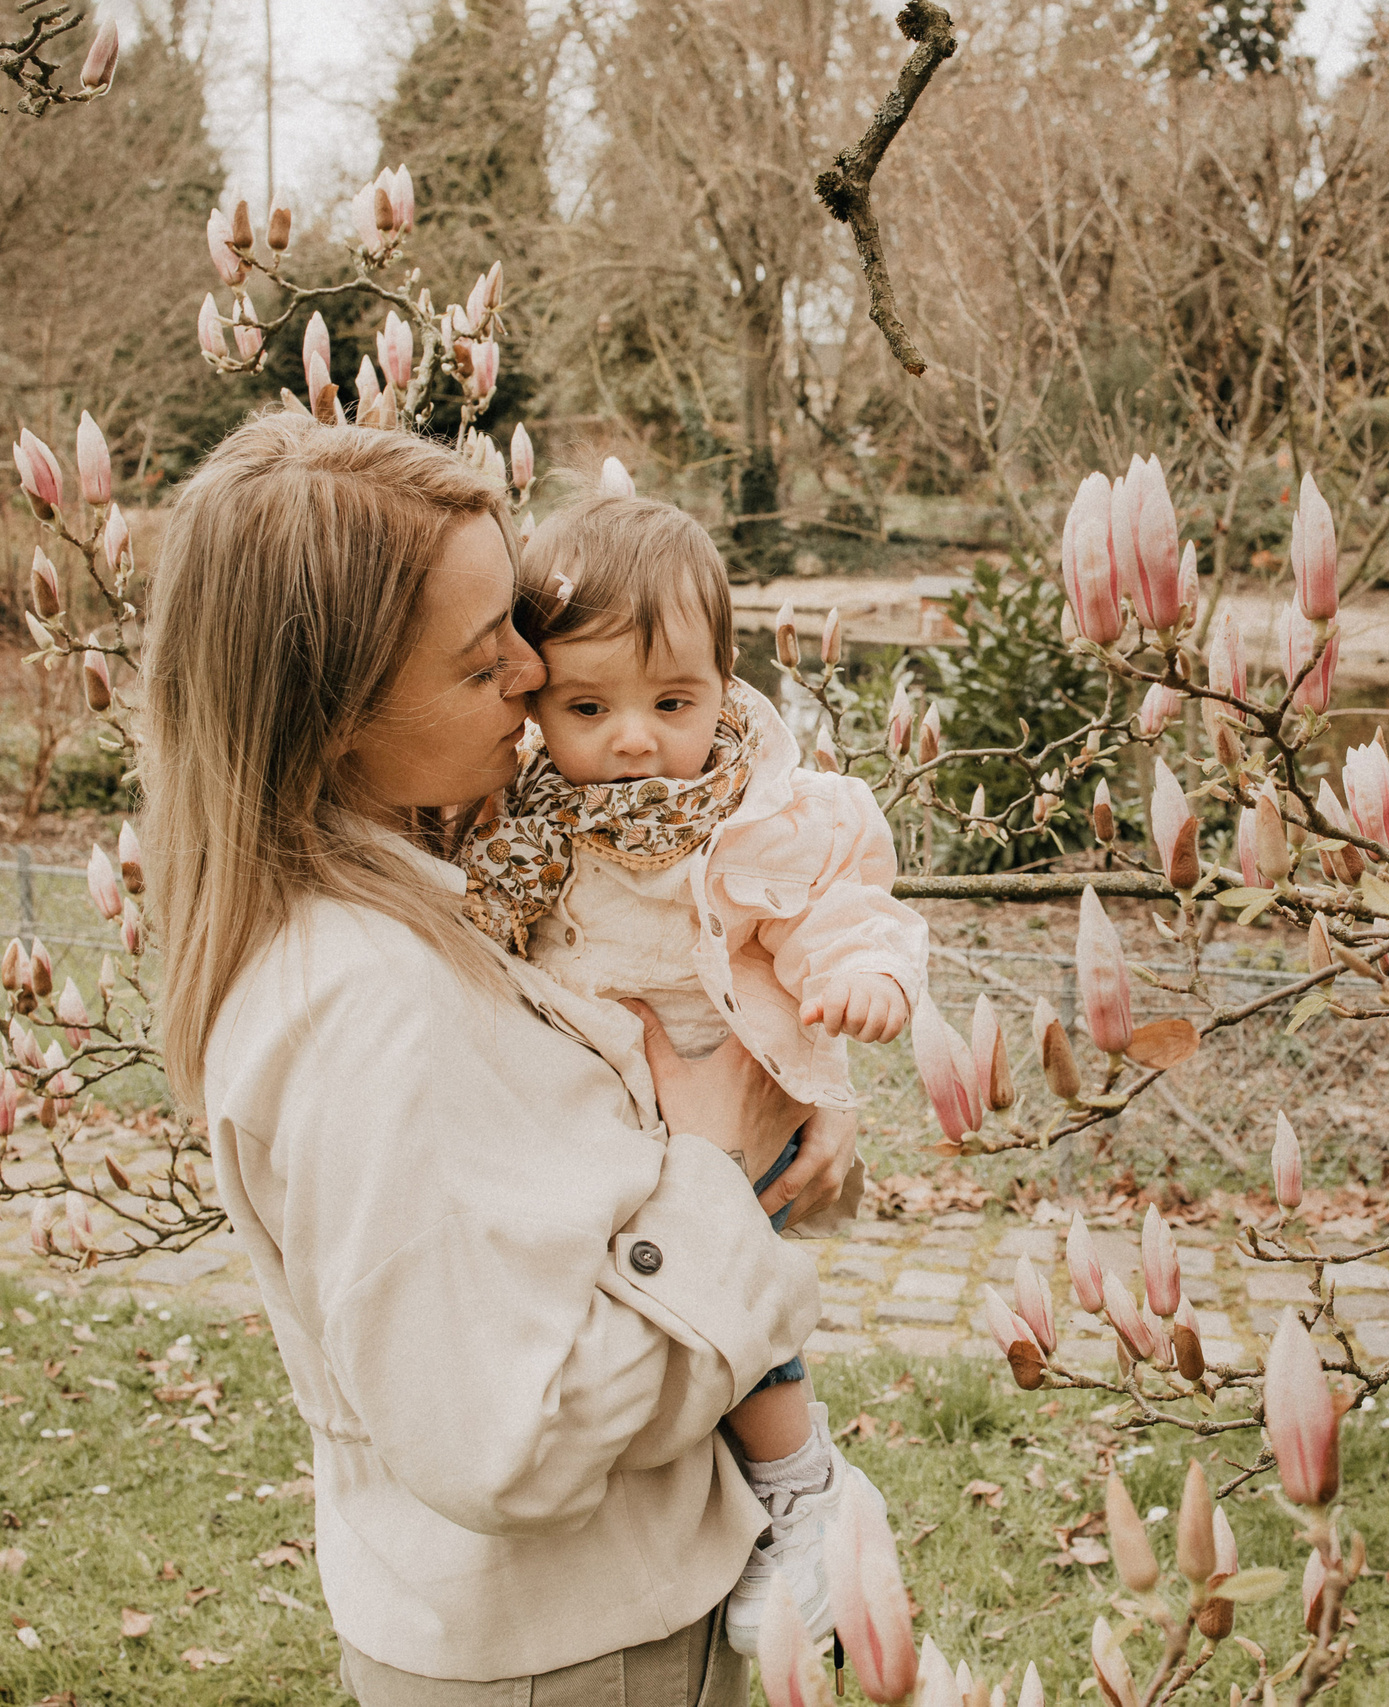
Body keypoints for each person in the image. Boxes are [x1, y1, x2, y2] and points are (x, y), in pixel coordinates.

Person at [143, 412, 855, 1704]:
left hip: (594, 1615)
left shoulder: (441, 895)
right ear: (338, 715)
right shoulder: (366, 1006)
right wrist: (714, 1169)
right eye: (485, 664)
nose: (533, 679)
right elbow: (505, 1434)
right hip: (569, 1653)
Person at [456, 492, 926, 1651]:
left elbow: (840, 904)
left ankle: (804, 1490)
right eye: (589, 705)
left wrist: (862, 979)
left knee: (737, 1314)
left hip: (725, 1091)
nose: (634, 738)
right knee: (649, 1325)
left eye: (674, 702)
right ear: (534, 698)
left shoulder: (759, 813)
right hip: (601, 1127)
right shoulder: (522, 823)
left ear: (725, 681)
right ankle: (730, 1511)